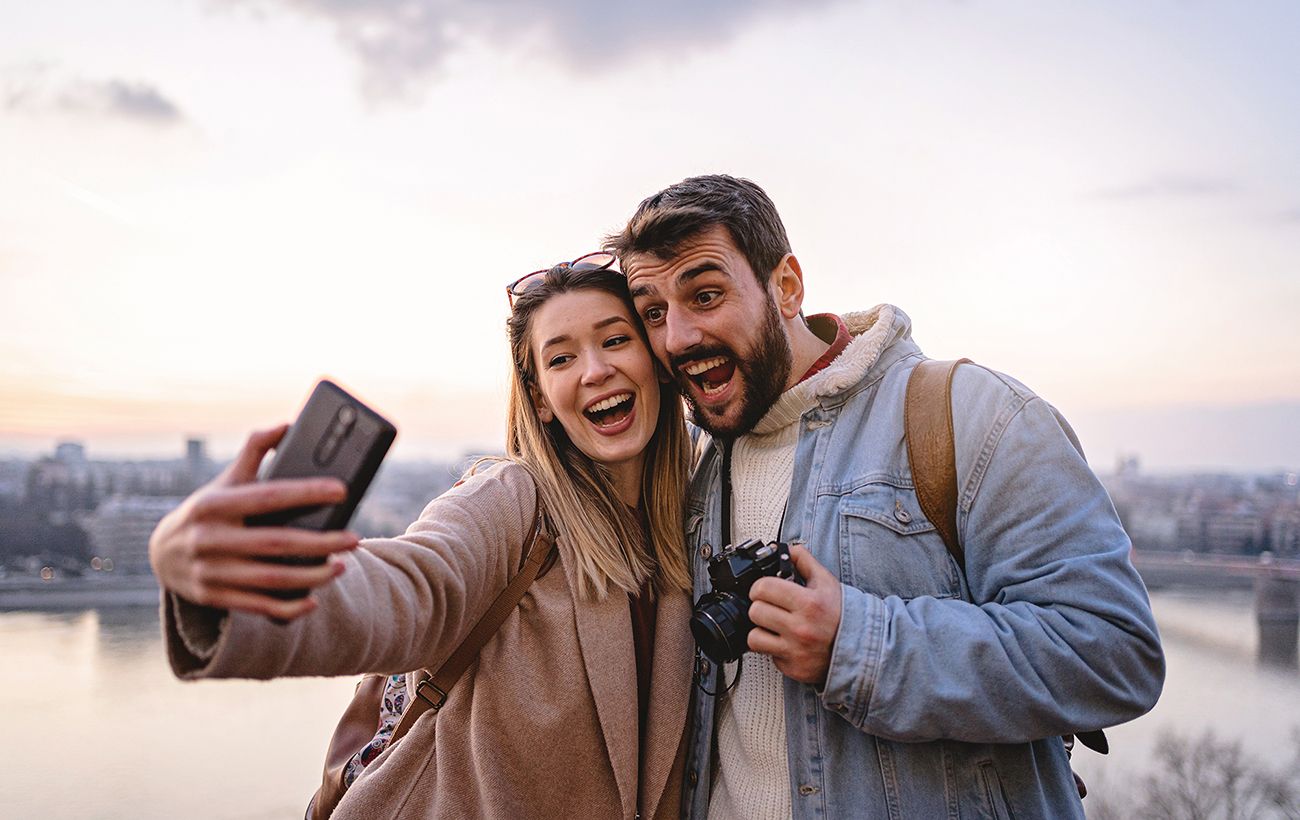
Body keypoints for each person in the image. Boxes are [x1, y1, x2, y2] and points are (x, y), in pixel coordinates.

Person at [604, 175, 1166, 819]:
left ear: (786, 287)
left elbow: (1115, 652)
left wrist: (857, 645)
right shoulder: (691, 465)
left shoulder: (974, 415)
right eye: (654, 313)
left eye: (705, 295)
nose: (676, 338)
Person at [149, 258, 696, 819]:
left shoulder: (691, 517)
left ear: (656, 360)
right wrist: (238, 579)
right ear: (540, 400)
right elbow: (412, 588)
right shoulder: (513, 501)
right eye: (561, 358)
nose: (595, 370)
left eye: (615, 340)